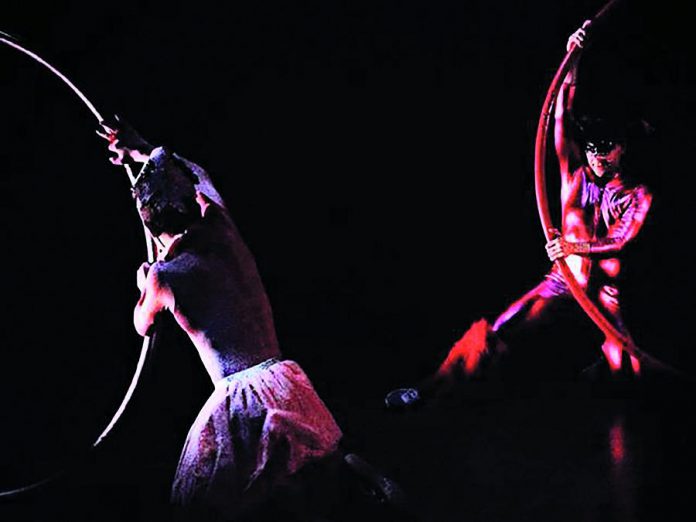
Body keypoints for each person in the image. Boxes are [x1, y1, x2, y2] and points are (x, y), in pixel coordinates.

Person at [98, 119, 406, 520]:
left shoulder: (163, 276)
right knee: (307, 481)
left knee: (222, 504)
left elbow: (143, 324)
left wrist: (144, 280)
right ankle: (360, 491)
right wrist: (146, 151)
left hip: (241, 399)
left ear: (148, 223)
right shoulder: (223, 228)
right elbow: (199, 176)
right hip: (283, 379)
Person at [386, 22, 653, 409]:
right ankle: (428, 390)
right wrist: (573, 58)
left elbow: (622, 240)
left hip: (606, 295)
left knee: (627, 374)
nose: (597, 155)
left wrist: (570, 244)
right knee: (495, 332)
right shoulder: (573, 174)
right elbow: (560, 114)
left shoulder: (638, 193)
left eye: (606, 148)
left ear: (623, 149)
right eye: (592, 147)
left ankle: (605, 383)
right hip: (565, 281)